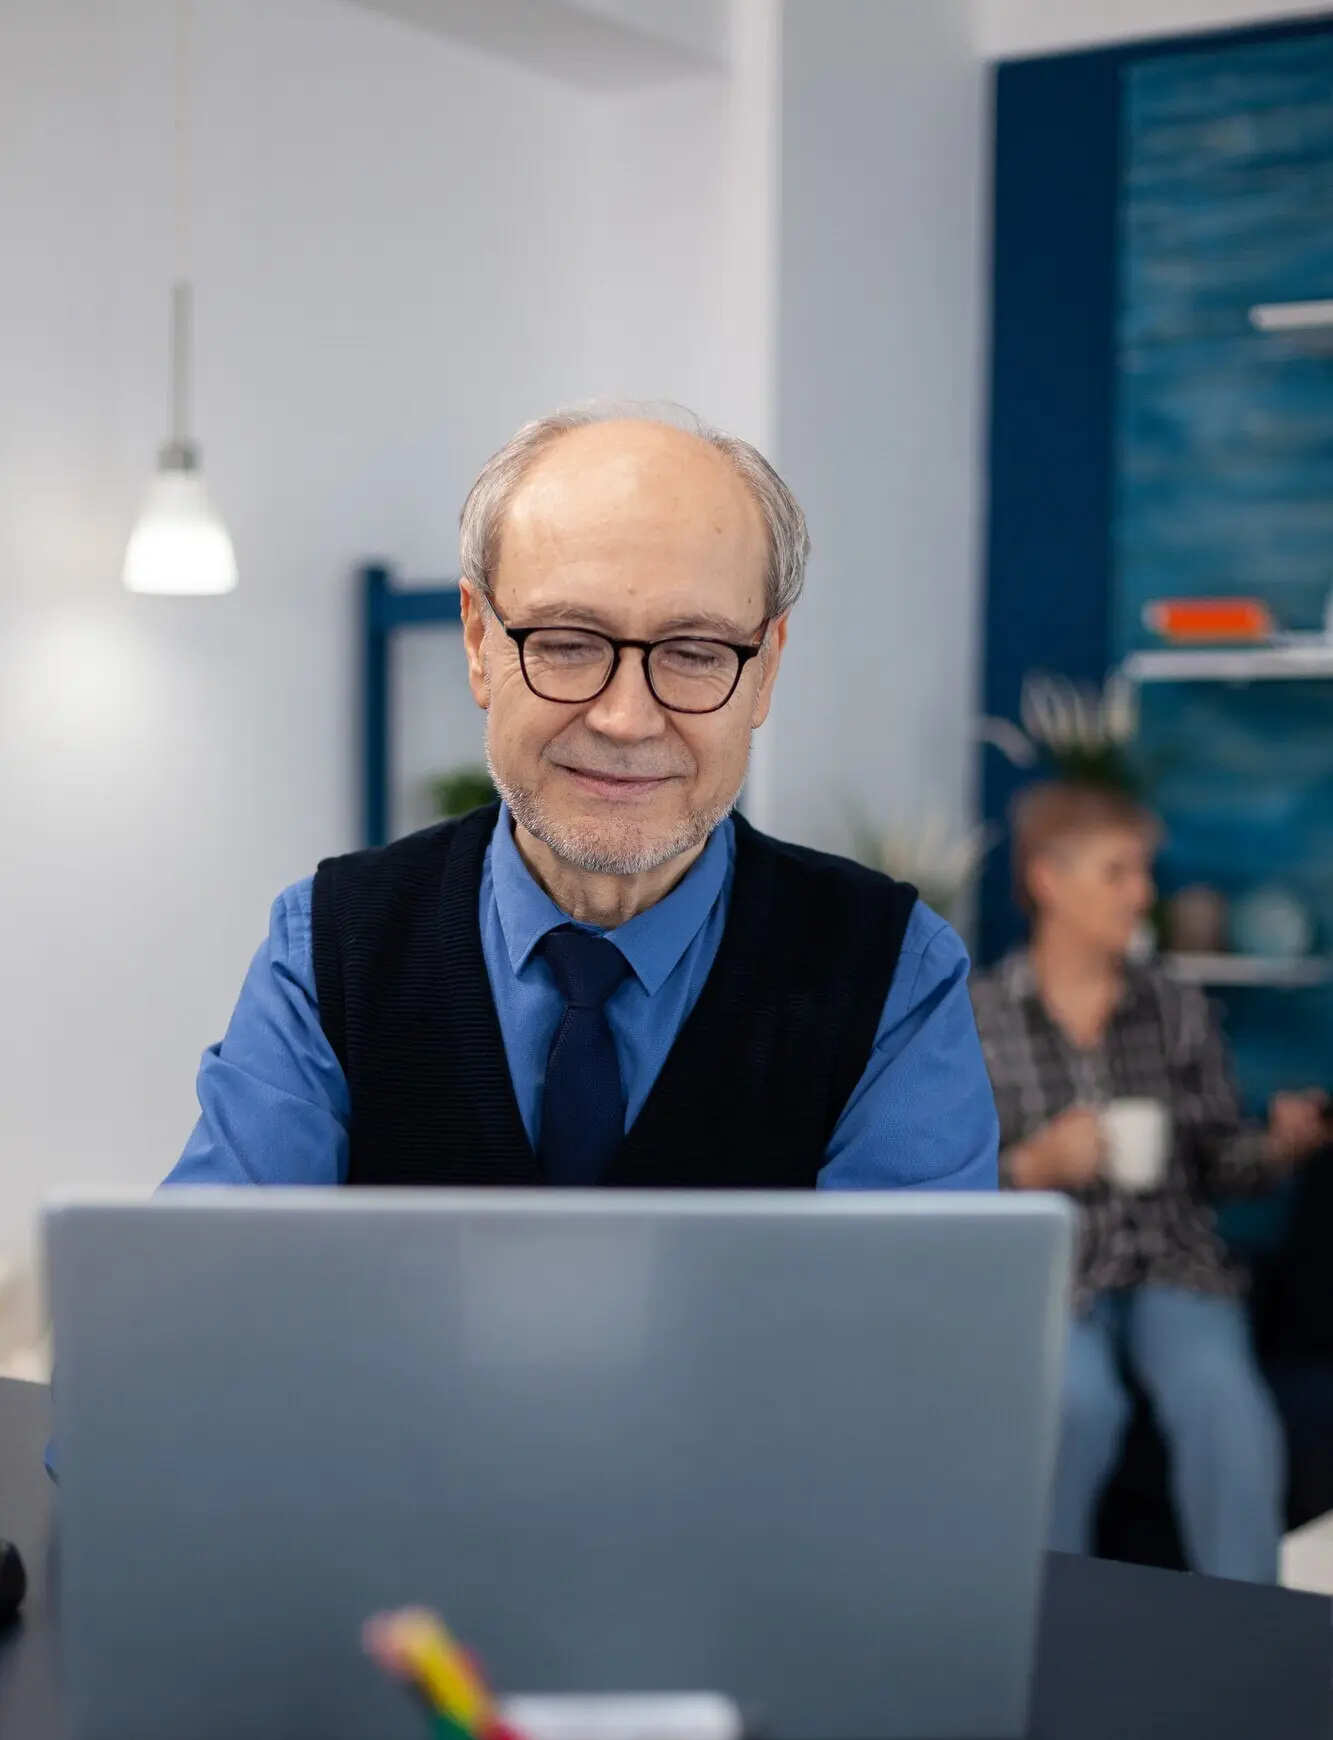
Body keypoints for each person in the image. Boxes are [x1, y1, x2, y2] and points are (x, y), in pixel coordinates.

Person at [166, 401, 999, 1194]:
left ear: (766, 668)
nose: (627, 719)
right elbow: (200, 1301)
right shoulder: (329, 950)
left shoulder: (893, 975)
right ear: (478, 641)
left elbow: (914, 1337)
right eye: (566, 643)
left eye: (696, 652)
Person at [971, 781, 1328, 1583]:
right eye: (1118, 872)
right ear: (1046, 881)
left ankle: (1249, 1631)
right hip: (1053, 1274)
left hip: (1173, 1264)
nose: (1143, 894)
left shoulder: (1175, 1008)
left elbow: (1216, 1166)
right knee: (1075, 1409)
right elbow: (935, 1183)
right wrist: (1031, 1168)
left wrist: (1274, 1147)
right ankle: (1044, 1632)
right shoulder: (978, 1015)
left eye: (1143, 872)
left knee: (1225, 1411)